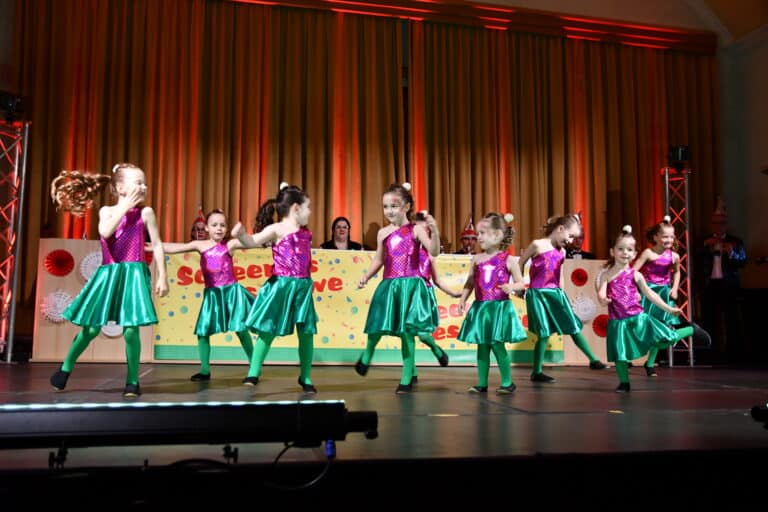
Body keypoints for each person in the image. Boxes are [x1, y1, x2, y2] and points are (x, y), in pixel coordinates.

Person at [48, 164, 168, 397]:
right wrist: (124, 206)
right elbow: (105, 231)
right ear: (120, 188)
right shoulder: (107, 211)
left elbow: (157, 244)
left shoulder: (146, 213)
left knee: (131, 330)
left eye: (144, 183)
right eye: (138, 182)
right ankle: (65, 368)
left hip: (133, 275)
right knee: (92, 329)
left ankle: (132, 381)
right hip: (109, 275)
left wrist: (163, 276)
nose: (143, 187)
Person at [354, 183, 441, 393]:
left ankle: (406, 377)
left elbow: (434, 251)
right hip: (390, 285)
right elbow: (379, 259)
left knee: (406, 332)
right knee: (376, 324)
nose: (389, 211)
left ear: (406, 207)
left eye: (394, 206)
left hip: (410, 286)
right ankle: (367, 355)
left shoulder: (416, 229)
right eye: (385, 206)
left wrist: (435, 231)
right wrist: (366, 276)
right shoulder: (383, 233)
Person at [232, 182, 318, 393]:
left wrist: (309, 280)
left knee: (306, 332)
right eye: (307, 207)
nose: (310, 212)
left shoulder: (306, 233)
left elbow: (305, 259)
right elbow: (252, 241)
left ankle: (305, 376)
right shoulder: (277, 229)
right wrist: (241, 235)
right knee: (267, 329)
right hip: (281, 286)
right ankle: (253, 372)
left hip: (302, 287)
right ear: (296, 208)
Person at [596, 225, 695, 392]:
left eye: (629, 250)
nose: (625, 252)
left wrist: (669, 309)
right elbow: (601, 292)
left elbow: (651, 294)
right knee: (619, 353)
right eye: (620, 249)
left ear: (634, 254)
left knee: (664, 340)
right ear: (612, 252)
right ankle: (624, 382)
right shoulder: (606, 274)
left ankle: (691, 330)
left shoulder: (636, 275)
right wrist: (603, 299)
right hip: (618, 322)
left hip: (638, 318)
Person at [162, 208, 255, 382]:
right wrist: (155, 246)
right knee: (203, 332)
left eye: (222, 225)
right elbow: (177, 247)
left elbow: (250, 242)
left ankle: (254, 368)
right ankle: (205, 371)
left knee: (241, 330)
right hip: (212, 295)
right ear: (206, 227)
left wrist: (243, 234)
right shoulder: (200, 245)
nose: (219, 228)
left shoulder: (230, 245)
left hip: (231, 293)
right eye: (214, 225)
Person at [518, 214, 608, 383]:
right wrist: (520, 285)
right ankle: (536, 372)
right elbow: (520, 262)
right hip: (538, 293)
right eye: (570, 236)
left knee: (573, 326)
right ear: (560, 229)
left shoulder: (562, 252)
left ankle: (593, 360)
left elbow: (560, 275)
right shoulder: (538, 245)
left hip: (556, 293)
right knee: (544, 332)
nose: (571, 240)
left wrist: (563, 293)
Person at [458, 212, 527, 394]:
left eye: (482, 233)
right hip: (481, 308)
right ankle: (482, 383)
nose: (478, 237)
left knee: (497, 344)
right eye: (478, 233)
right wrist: (463, 298)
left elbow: (521, 283)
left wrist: (511, 286)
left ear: (497, 235)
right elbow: (470, 282)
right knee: (482, 345)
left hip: (498, 308)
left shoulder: (508, 260)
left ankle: (507, 382)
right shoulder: (476, 259)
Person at [410, 212, 459, 381]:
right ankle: (411, 371)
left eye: (425, 230)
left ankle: (436, 349)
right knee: (406, 334)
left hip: (422, 295)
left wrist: (453, 293)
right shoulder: (407, 250)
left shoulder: (430, 254)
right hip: (407, 292)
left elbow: (437, 280)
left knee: (423, 334)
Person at [698, 199, 746, 359]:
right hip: (709, 284)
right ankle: (710, 351)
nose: (718, 226)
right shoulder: (703, 241)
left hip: (728, 285)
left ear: (726, 224)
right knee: (709, 318)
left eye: (722, 223)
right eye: (715, 223)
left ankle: (733, 353)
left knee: (732, 319)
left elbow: (742, 262)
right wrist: (705, 245)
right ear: (711, 225)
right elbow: (693, 259)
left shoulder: (736, 241)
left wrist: (731, 253)